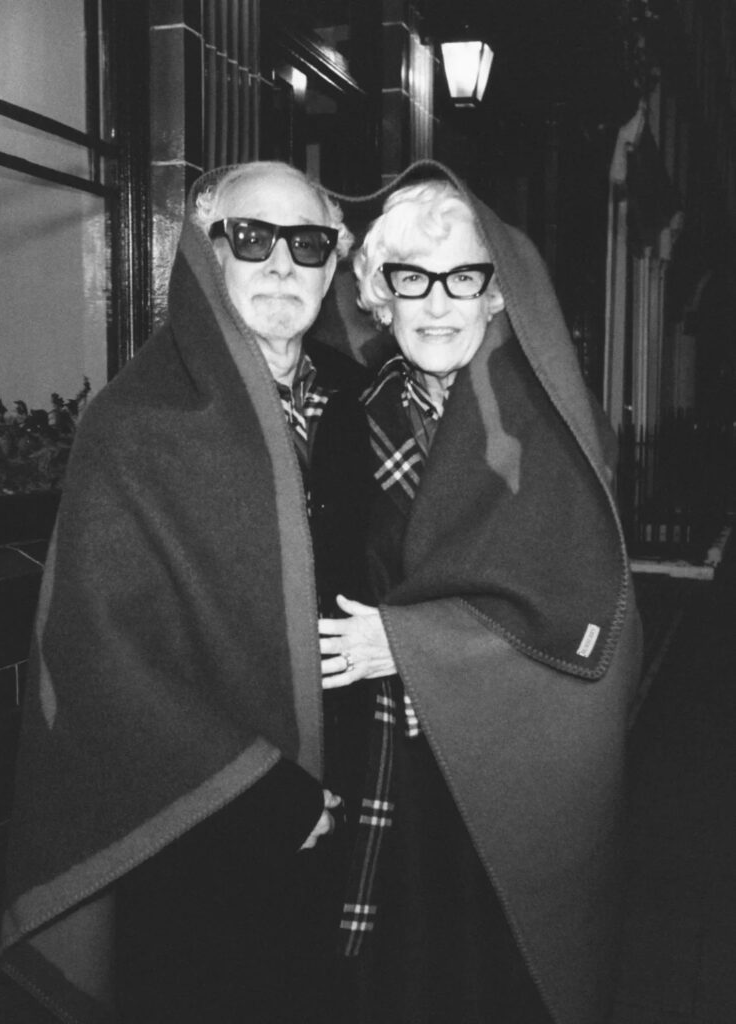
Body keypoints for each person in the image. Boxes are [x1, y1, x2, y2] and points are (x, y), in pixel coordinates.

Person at [0, 161, 369, 1024]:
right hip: (203, 818)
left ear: (333, 262)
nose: (281, 264)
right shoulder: (138, 420)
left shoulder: (360, 406)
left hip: (360, 810)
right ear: (208, 250)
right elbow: (97, 648)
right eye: (253, 237)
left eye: (307, 243)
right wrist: (267, 794)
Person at [312, 165, 644, 1024]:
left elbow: (577, 610)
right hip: (383, 762)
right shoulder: (347, 417)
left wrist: (410, 645)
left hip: (506, 766)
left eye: (463, 278)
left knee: (491, 981)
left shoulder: (552, 421)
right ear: (378, 295)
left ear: (497, 294)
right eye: (410, 279)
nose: (437, 302)